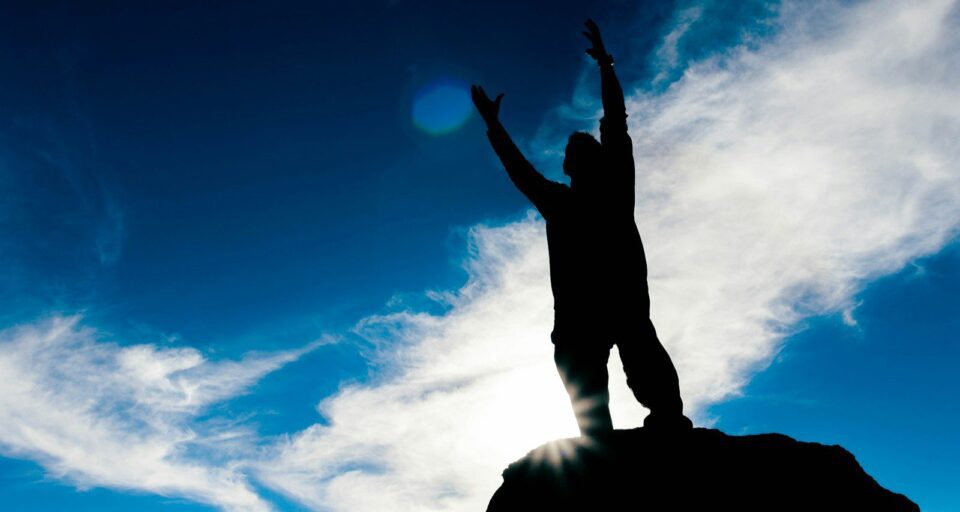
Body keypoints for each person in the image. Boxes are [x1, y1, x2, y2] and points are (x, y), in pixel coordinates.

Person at [471, 19, 692, 437]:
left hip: (622, 305)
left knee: (646, 365)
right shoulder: (558, 201)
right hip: (578, 318)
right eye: (576, 152)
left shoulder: (615, 190)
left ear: (597, 162)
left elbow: (615, 120)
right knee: (583, 382)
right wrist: (495, 128)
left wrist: (606, 65)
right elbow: (519, 171)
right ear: (569, 166)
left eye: (587, 150)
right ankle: (600, 443)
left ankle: (665, 420)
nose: (582, 155)